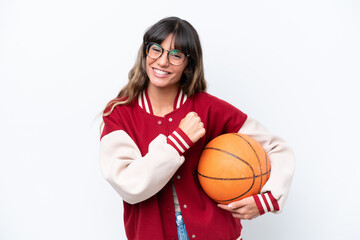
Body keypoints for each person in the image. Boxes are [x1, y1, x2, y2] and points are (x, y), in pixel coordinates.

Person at [99, 16, 295, 240]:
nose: (162, 62)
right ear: (145, 53)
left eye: (176, 55)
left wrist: (267, 200)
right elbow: (127, 183)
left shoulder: (209, 108)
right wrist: (178, 141)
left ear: (188, 65)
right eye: (156, 50)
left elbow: (275, 147)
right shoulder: (120, 113)